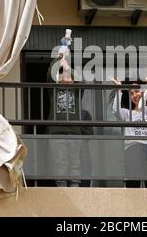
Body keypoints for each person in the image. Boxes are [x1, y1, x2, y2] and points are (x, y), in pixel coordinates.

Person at [46, 32, 83, 187]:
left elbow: (81, 80)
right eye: (62, 75)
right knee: (59, 163)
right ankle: (62, 188)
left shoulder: (76, 90)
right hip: (56, 131)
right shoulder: (53, 88)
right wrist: (60, 57)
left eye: (68, 75)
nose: (65, 77)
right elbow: (51, 72)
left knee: (75, 162)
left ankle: (75, 188)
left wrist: (67, 65)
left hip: (73, 131)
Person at [110, 78, 147, 188]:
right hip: (133, 147)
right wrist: (119, 90)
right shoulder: (127, 114)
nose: (134, 95)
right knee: (133, 181)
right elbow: (115, 110)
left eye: (137, 91)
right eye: (131, 93)